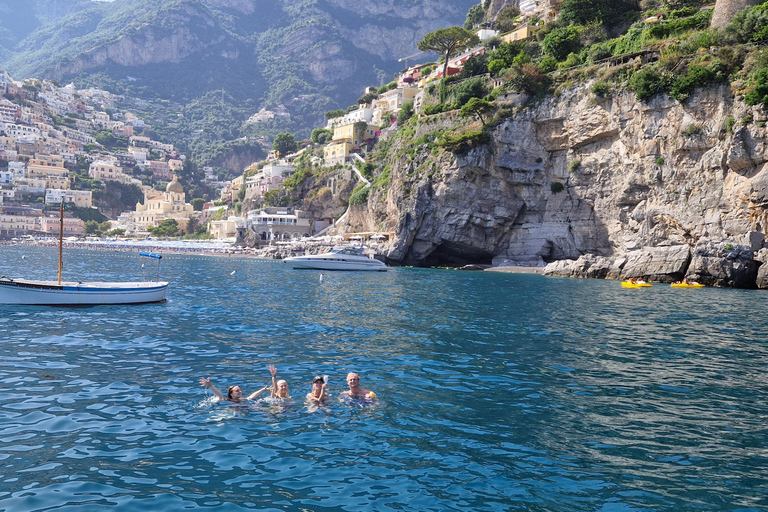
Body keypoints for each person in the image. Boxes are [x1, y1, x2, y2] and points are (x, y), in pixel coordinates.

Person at [199, 377, 270, 403]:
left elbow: (252, 397)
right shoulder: (228, 400)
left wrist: (263, 390)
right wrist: (210, 386)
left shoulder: (242, 400)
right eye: (237, 391)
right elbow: (220, 395)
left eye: (240, 390)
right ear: (231, 394)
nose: (240, 392)